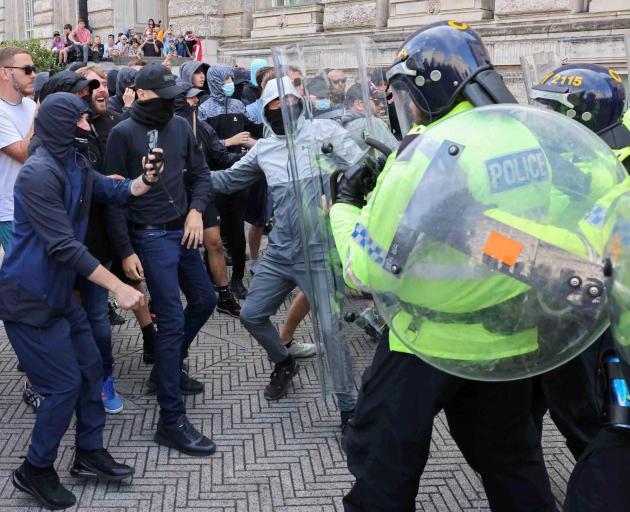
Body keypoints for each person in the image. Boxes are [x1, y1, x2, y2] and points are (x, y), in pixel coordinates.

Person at [329, 22, 558, 511]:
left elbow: (368, 269)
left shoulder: (428, 153)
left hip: (426, 340)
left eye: (402, 94)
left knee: (382, 466)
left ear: (425, 87)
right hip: (507, 337)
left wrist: (345, 208)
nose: (400, 107)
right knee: (513, 462)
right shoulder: (526, 136)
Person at [0, 92, 162, 510]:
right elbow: (63, 247)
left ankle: (88, 454)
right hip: (29, 299)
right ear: (62, 125)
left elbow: (111, 191)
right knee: (62, 386)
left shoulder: (75, 162)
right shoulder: (38, 174)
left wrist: (144, 181)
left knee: (92, 369)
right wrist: (118, 287)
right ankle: (34, 470)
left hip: (59, 293)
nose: (90, 126)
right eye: (83, 121)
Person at [209, 76, 355, 410]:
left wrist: (341, 198)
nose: (283, 110)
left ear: (300, 104)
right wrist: (187, 178)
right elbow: (229, 180)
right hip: (279, 252)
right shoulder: (264, 147)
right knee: (251, 315)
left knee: (332, 333)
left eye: (289, 103)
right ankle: (284, 360)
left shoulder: (326, 134)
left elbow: (363, 168)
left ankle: (349, 408)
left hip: (319, 252)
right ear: (265, 111)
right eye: (275, 106)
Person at [528, 64, 630, 511]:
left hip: (585, 317)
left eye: (552, 111)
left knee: (581, 415)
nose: (543, 122)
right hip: (550, 311)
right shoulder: (577, 159)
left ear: (582, 117)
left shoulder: (606, 172)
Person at [104, 64, 217, 456]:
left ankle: (165, 368)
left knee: (205, 301)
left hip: (184, 231)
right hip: (149, 237)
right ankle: (171, 420)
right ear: (143, 94)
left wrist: (196, 211)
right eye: (167, 96)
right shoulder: (121, 134)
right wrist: (125, 250)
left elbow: (201, 175)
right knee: (169, 321)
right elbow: (113, 198)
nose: (175, 103)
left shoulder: (182, 127)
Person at [173, 83, 242, 319]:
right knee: (176, 249)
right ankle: (162, 299)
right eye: (190, 98)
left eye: (196, 98)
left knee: (214, 242)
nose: (195, 102)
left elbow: (218, 155)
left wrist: (245, 159)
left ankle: (224, 295)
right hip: (174, 198)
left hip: (202, 192)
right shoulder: (165, 129)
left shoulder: (202, 127)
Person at [198, 64, 261, 299]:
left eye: (231, 79)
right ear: (214, 81)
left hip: (238, 174)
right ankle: (212, 277)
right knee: (212, 233)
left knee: (236, 230)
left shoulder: (238, 105)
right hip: (214, 179)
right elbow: (206, 146)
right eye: (225, 79)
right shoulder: (203, 111)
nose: (229, 83)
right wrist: (228, 141)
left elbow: (250, 130)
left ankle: (237, 280)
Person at [0, 47, 36, 251]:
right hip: (9, 211)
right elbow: (24, 153)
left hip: (35, 206)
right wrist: (40, 114)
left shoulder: (30, 105)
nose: (34, 75)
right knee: (26, 277)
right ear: (5, 72)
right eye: (27, 69)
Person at [341, 83, 398, 151]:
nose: (382, 105)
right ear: (359, 105)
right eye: (376, 101)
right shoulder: (372, 123)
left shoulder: (343, 127)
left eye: (382, 100)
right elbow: (398, 154)